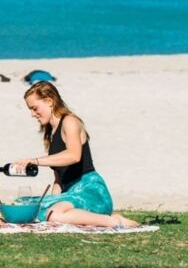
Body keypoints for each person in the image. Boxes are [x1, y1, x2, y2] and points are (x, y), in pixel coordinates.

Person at [9, 82, 139, 228]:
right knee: (25, 205)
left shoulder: (70, 121)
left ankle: (116, 221)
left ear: (49, 101)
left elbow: (73, 155)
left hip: (90, 191)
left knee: (53, 215)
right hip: (70, 194)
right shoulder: (51, 134)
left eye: (34, 108)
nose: (32, 114)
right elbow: (59, 179)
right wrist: (53, 200)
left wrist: (35, 161)